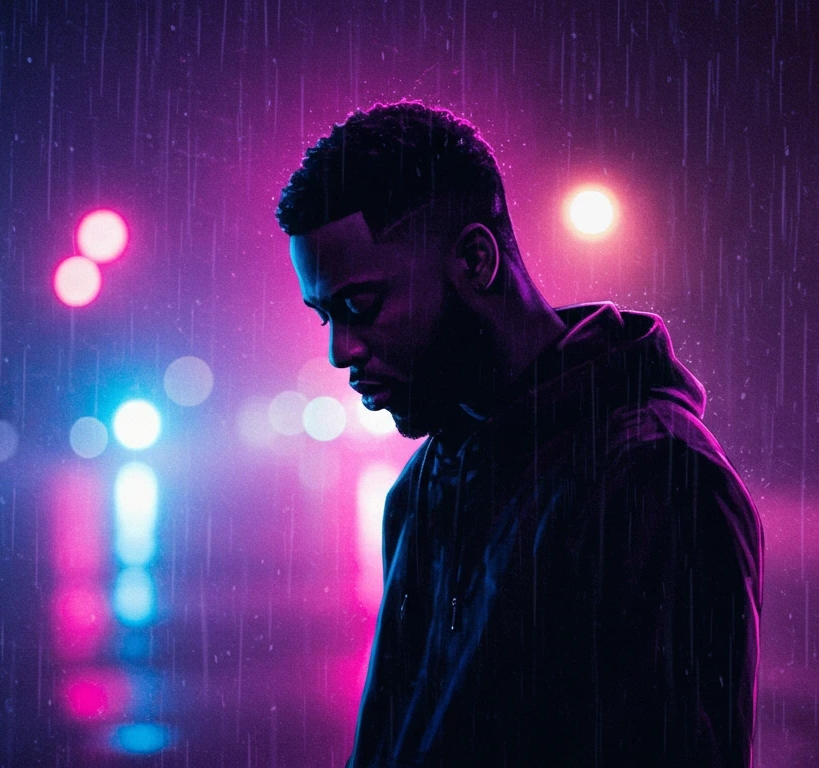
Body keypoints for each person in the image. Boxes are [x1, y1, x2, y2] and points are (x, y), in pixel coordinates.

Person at [276, 100, 763, 768]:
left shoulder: (650, 477)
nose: (341, 351)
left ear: (476, 261)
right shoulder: (428, 481)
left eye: (360, 306)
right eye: (325, 317)